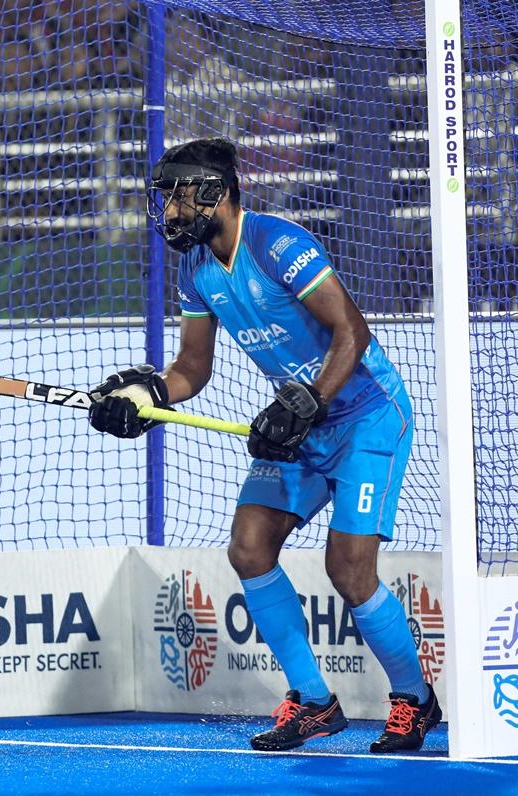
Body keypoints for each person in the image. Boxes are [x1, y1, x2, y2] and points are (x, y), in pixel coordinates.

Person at [87, 138, 440, 753]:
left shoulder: (279, 244)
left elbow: (351, 330)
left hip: (365, 417)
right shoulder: (195, 270)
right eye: (163, 198)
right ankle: (313, 702)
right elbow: (191, 371)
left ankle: (414, 699)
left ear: (216, 193)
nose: (167, 210)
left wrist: (308, 403)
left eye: (177, 195)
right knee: (250, 547)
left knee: (348, 570)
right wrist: (146, 396)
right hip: (300, 423)